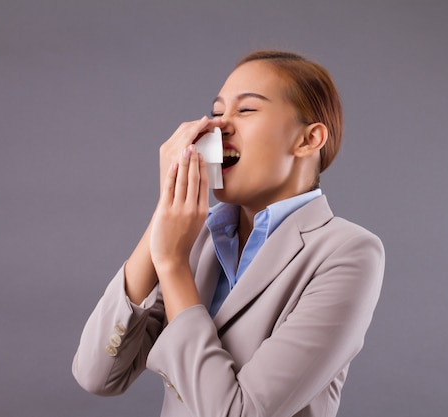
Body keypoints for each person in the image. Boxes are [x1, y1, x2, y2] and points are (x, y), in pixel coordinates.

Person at [72, 50, 385, 417]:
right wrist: (165, 213)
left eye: (246, 110)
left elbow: (238, 412)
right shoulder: (198, 237)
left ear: (308, 139)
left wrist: (172, 265)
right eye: (218, 112)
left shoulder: (349, 253)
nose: (220, 127)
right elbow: (98, 375)